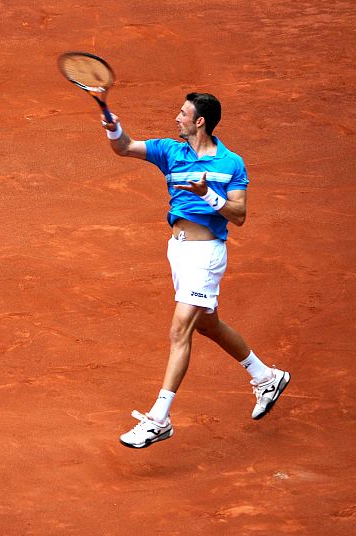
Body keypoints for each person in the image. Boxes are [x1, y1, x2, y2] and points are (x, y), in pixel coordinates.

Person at [101, 92, 290, 448]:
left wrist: (208, 195)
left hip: (206, 255)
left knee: (179, 330)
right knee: (207, 324)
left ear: (200, 121)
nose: (177, 118)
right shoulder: (170, 152)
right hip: (179, 252)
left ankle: (159, 418)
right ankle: (266, 377)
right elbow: (125, 147)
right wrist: (114, 128)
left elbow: (239, 215)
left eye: (183, 113)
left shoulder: (231, 163)